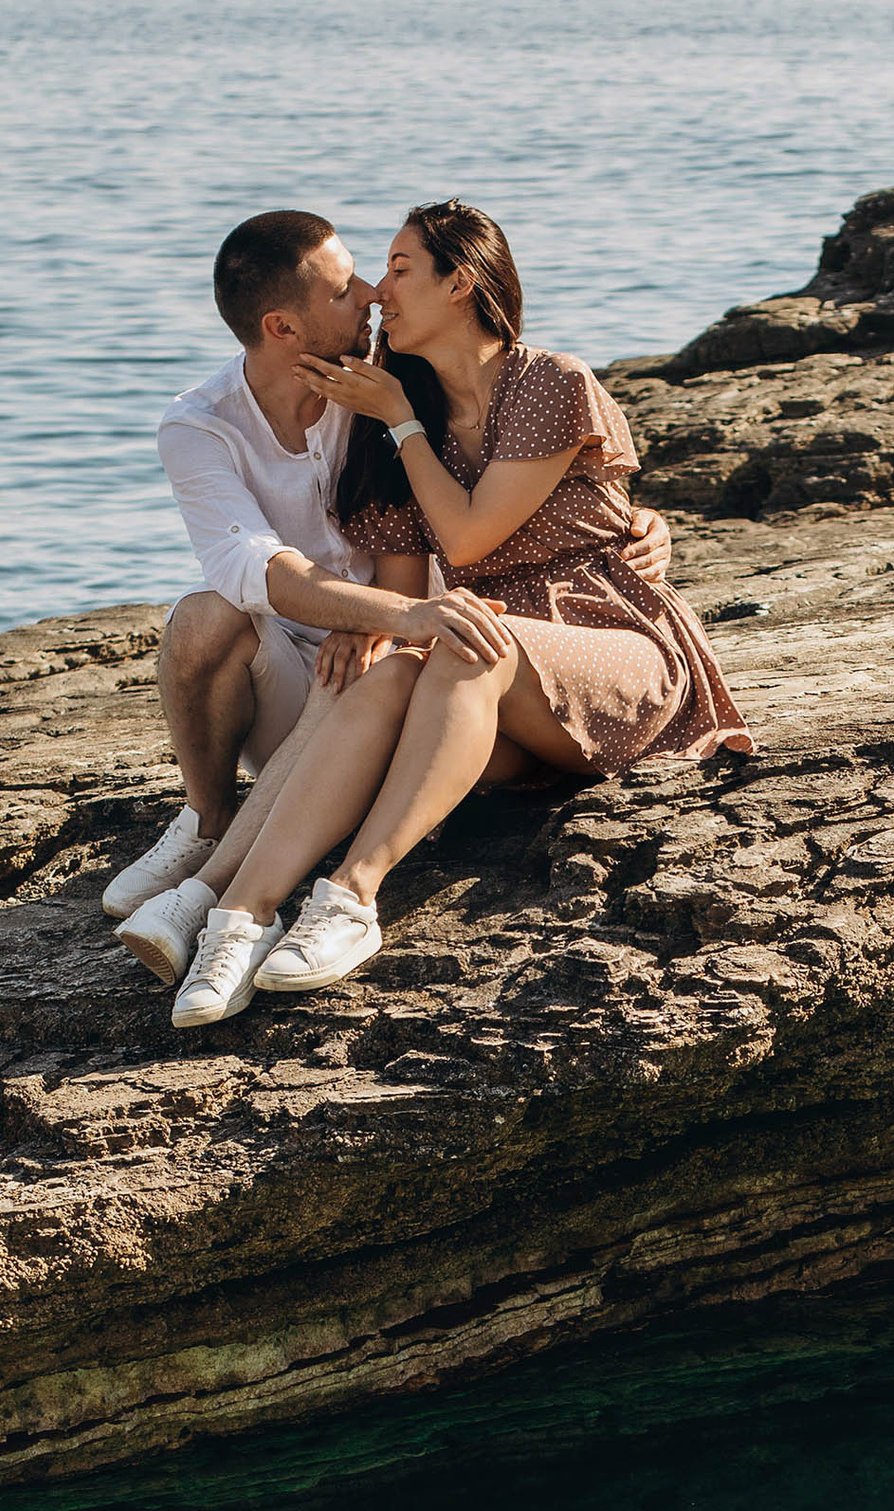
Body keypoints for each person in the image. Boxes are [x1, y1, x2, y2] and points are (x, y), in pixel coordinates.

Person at [162, 199, 754, 1029]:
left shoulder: (549, 382)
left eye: (399, 269)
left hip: (613, 647)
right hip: (490, 681)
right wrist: (369, 630)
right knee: (401, 657)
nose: (377, 291)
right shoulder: (402, 419)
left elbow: (473, 534)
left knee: (465, 635)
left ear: (461, 284)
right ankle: (240, 919)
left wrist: (401, 425)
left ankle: (351, 898)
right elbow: (407, 595)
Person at [100, 208, 389, 973]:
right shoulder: (199, 424)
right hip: (292, 679)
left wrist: (629, 514)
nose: (369, 294)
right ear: (282, 327)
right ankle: (207, 814)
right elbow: (253, 570)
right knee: (202, 617)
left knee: (366, 672)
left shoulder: (389, 382)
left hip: (393, 674)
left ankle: (209, 891)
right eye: (341, 291)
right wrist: (389, 610)